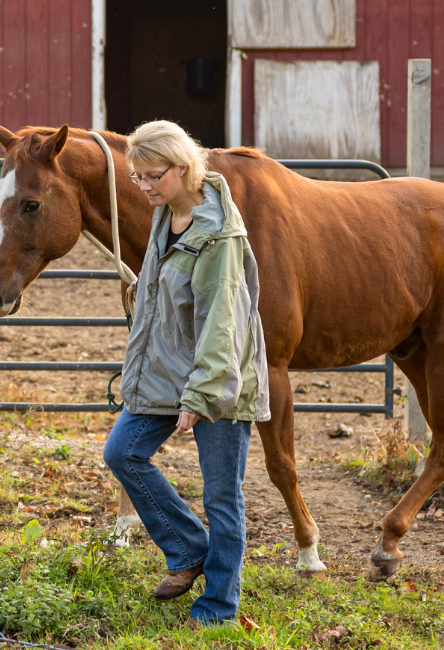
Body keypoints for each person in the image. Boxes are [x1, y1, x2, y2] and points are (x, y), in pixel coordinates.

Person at [102, 120, 271, 626]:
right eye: (137, 177)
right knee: (123, 452)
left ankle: (218, 607)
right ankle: (188, 548)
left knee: (222, 497)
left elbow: (223, 324)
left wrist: (200, 397)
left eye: (153, 175)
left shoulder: (216, 236)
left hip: (217, 383)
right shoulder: (167, 214)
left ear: (183, 168)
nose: (144, 186)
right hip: (166, 374)